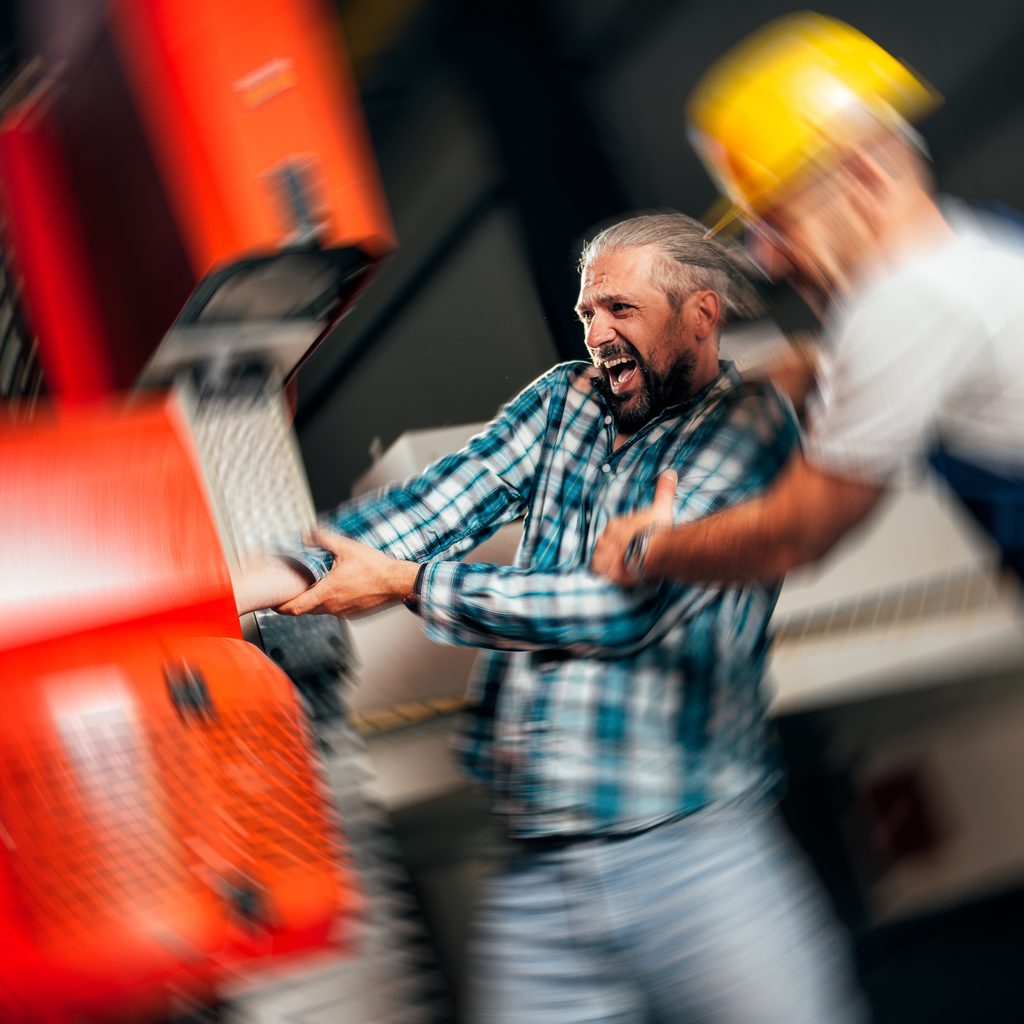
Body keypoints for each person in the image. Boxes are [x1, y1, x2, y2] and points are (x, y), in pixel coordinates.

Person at [235, 213, 864, 1023]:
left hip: (690, 854)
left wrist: (409, 585)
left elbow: (620, 610)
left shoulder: (749, 432)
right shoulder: (565, 401)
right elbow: (429, 507)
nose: (596, 331)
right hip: (542, 870)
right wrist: (229, 588)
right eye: (586, 312)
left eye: (619, 310)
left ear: (701, 316)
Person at [592, 13, 1024, 589]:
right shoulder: (978, 245)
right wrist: (818, 369)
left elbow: (795, 534)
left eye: (778, 221)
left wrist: (648, 548)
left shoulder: (904, 302)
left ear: (864, 175)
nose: (769, 259)